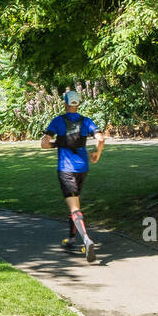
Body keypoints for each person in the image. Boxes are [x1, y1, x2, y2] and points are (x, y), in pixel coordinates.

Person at [41, 90, 105, 262]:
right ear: (78, 104)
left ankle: (86, 240)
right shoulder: (86, 121)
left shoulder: (58, 121)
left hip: (66, 169)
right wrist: (97, 154)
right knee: (75, 203)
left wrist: (57, 144)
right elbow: (100, 138)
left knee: (74, 208)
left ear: (65, 104)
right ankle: (71, 239)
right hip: (82, 168)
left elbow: (44, 144)